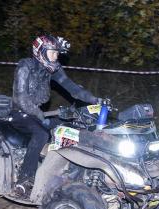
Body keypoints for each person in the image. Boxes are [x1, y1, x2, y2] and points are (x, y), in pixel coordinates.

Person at [11, 35, 101, 196]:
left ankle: (69, 173)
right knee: (41, 134)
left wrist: (95, 99)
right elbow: (21, 98)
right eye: (53, 53)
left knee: (70, 127)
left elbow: (73, 89)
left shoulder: (52, 70)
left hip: (38, 113)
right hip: (20, 113)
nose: (56, 56)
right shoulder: (25, 67)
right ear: (41, 52)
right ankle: (24, 180)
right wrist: (39, 115)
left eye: (57, 53)